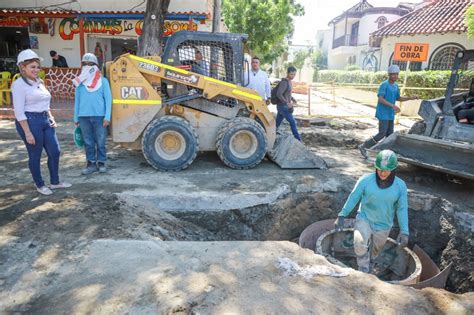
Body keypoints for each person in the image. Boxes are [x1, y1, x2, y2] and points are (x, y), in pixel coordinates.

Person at [334, 149, 409, 273]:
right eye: (380, 169)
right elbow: (354, 197)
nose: (382, 173)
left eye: (386, 170)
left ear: (393, 170)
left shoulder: (400, 186)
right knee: (359, 244)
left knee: (374, 252)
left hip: (384, 225)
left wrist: (404, 231)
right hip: (365, 218)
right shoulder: (366, 180)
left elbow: (402, 209)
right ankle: (363, 271)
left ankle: (370, 264)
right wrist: (342, 215)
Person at [12, 49, 71, 195]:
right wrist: (27, 132)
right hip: (30, 121)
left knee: (55, 151)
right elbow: (18, 111)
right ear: (23, 67)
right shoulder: (19, 84)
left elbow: (45, 102)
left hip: (45, 120)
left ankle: (55, 182)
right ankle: (39, 184)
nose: (36, 69)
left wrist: (50, 116)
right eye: (32, 66)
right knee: (35, 154)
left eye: (37, 66)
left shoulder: (40, 82)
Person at [358, 65, 417, 158]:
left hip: (390, 113)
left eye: (396, 74)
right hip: (383, 113)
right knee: (382, 133)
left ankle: (386, 154)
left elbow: (398, 98)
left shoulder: (396, 86)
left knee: (390, 134)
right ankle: (364, 146)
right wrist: (393, 106)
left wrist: (410, 98)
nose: (395, 76)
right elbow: (380, 99)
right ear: (389, 75)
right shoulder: (384, 85)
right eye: (393, 74)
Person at [73, 53, 112, 175]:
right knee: (88, 141)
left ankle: (101, 162)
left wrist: (107, 116)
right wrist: (76, 117)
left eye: (91, 64)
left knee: (100, 141)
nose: (87, 67)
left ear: (96, 66)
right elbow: (77, 101)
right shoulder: (80, 83)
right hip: (83, 117)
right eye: (85, 64)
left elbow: (108, 99)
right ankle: (91, 163)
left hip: (99, 117)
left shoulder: (103, 81)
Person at [275, 66, 301, 141]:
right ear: (287, 73)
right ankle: (298, 140)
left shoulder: (289, 82)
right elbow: (279, 94)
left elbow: (286, 93)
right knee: (293, 122)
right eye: (291, 74)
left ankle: (269, 135)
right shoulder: (284, 82)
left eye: (294, 74)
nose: (293, 76)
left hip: (283, 106)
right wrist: (287, 103)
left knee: (277, 124)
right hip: (283, 107)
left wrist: (292, 99)